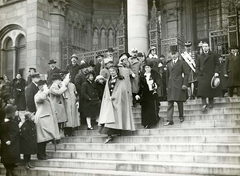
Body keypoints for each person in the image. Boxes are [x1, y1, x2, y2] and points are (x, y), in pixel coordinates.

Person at [98, 66, 135, 143]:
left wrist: (115, 96)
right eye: (110, 71)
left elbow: (123, 90)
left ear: (117, 71)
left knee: (117, 117)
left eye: (113, 71)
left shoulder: (121, 80)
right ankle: (109, 135)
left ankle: (117, 132)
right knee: (109, 118)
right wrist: (108, 97)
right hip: (109, 101)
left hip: (118, 101)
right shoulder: (108, 80)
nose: (112, 73)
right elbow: (106, 91)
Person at [34, 80, 60, 160]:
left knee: (45, 138)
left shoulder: (47, 95)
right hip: (42, 119)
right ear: (40, 86)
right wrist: (45, 90)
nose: (47, 88)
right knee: (41, 138)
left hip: (46, 118)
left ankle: (43, 153)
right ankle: (40, 155)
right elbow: (41, 98)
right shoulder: (38, 95)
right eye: (44, 86)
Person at [164, 45, 189, 126]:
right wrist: (167, 87)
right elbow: (167, 77)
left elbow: (186, 74)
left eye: (174, 53)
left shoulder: (182, 63)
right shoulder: (168, 64)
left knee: (179, 102)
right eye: (172, 54)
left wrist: (185, 84)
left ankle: (181, 116)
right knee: (170, 103)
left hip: (179, 84)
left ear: (178, 54)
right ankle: (169, 119)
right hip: (171, 85)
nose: (173, 55)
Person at [196, 41, 222, 112]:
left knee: (211, 90)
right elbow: (197, 66)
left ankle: (211, 103)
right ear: (202, 47)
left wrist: (216, 72)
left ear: (209, 47)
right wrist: (198, 74)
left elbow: (217, 64)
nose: (205, 48)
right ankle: (203, 104)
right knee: (202, 91)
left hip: (211, 75)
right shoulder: (199, 56)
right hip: (202, 76)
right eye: (203, 46)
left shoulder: (213, 54)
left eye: (206, 46)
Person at [135, 61, 161, 129]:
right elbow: (141, 86)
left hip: (152, 93)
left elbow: (158, 82)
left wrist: (154, 85)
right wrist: (138, 94)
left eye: (148, 67)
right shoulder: (142, 75)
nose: (147, 69)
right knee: (145, 109)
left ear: (151, 68)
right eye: (146, 67)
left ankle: (153, 121)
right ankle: (146, 123)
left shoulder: (154, 74)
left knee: (153, 108)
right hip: (145, 94)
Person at [0, 105, 20, 176]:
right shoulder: (4, 124)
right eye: (15, 112)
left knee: (12, 160)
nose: (16, 112)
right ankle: (10, 172)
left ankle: (10, 172)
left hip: (14, 145)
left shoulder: (14, 122)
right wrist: (6, 140)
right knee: (8, 160)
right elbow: (1, 134)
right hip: (8, 146)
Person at [60, 71, 80, 136]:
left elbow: (75, 93)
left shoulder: (73, 85)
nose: (69, 78)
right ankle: (66, 131)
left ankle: (72, 130)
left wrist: (77, 100)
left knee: (73, 116)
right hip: (66, 101)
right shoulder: (62, 84)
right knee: (68, 117)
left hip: (73, 101)